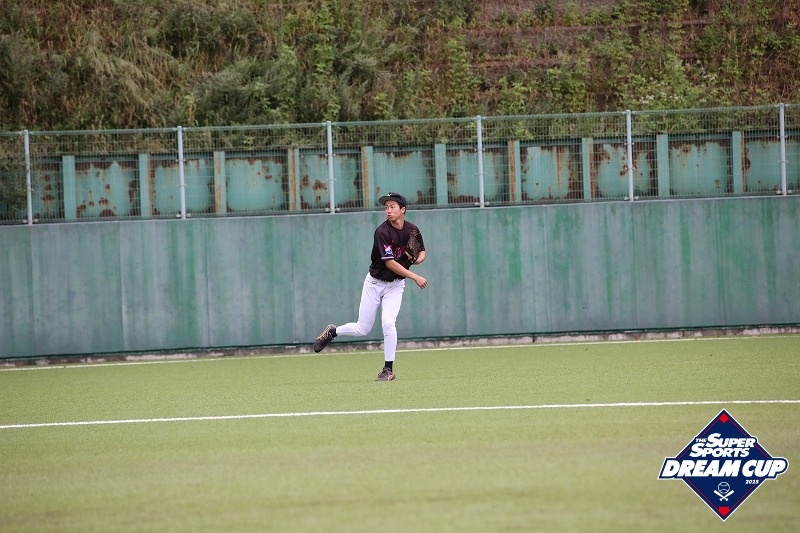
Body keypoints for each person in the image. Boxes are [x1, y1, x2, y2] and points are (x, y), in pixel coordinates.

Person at [313, 192, 427, 381]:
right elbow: (390, 263)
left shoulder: (412, 230)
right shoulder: (382, 232)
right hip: (374, 283)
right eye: (386, 207)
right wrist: (415, 276)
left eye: (392, 207)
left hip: (396, 285)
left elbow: (422, 251)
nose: (388, 210)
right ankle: (332, 332)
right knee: (362, 329)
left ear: (403, 209)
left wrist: (417, 260)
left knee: (388, 323)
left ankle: (388, 370)